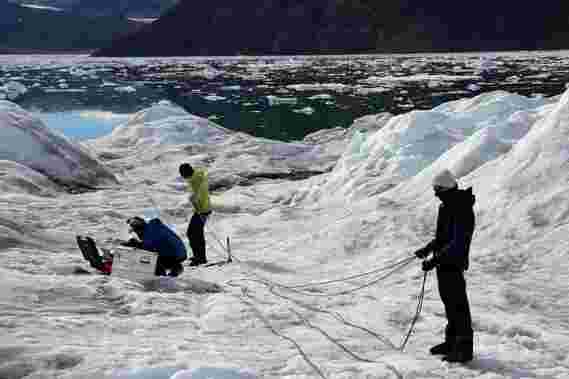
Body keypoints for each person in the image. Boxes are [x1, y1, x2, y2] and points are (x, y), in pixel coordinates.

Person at [414, 169, 476, 363]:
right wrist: (427, 249)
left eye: (437, 189)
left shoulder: (462, 208)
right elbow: (442, 238)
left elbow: (457, 243)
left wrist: (434, 260)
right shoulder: (446, 206)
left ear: (446, 189)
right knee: (450, 304)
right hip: (443, 262)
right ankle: (451, 343)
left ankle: (464, 350)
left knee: (458, 306)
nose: (435, 193)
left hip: (453, 263)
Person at [121, 216, 188, 277]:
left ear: (138, 230)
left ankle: (162, 277)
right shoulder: (153, 225)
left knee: (150, 258)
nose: (136, 234)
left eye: (135, 231)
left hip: (174, 255)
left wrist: (132, 244)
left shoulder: (148, 236)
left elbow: (147, 250)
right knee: (156, 253)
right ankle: (176, 267)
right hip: (181, 252)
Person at [179, 163, 211, 266]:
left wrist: (196, 202)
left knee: (195, 234)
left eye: (182, 174)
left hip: (202, 210)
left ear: (186, 173)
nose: (182, 177)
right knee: (193, 233)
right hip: (202, 209)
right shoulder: (196, 176)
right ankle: (198, 255)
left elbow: (201, 193)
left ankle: (200, 258)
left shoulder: (195, 180)